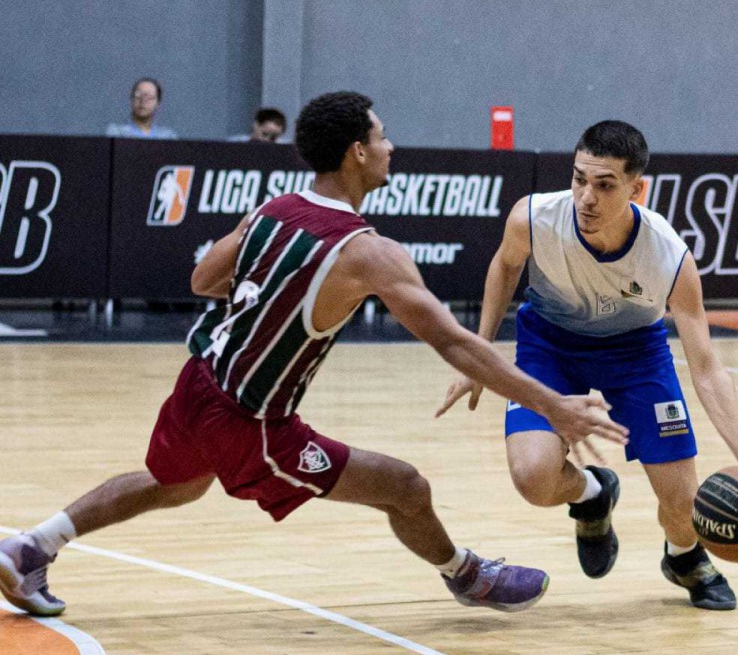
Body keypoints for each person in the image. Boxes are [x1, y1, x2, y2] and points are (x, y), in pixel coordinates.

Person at [0, 92, 628, 619]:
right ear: (357, 151)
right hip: (254, 425)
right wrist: (555, 408)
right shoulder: (368, 252)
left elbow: (203, 282)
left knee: (176, 484)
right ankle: (466, 575)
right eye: (382, 137)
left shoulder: (272, 211)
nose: (390, 147)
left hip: (199, 383)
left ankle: (33, 546)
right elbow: (455, 343)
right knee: (405, 487)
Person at [440, 120, 738, 611]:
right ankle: (591, 493)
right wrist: (476, 355)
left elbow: (707, 367)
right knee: (533, 478)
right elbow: (505, 266)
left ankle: (683, 557)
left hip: (635, 353)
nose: (586, 197)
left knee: (682, 504)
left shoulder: (668, 254)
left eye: (604, 185)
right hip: (551, 346)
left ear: (638, 189)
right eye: (578, 179)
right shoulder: (535, 218)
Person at [106, 78, 178, 139]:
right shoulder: (116, 133)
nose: (143, 101)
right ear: (131, 100)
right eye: (138, 96)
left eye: (149, 97)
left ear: (158, 103)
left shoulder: (168, 136)